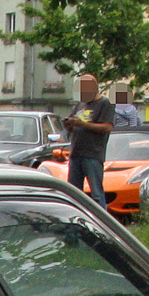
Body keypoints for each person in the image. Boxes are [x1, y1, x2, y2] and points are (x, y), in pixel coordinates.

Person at [63, 74, 113, 203]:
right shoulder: (80, 104)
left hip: (92, 155)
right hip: (76, 154)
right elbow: (74, 122)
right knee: (74, 194)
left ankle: (101, 220)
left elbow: (107, 127)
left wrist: (83, 124)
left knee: (96, 193)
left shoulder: (104, 103)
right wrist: (69, 125)